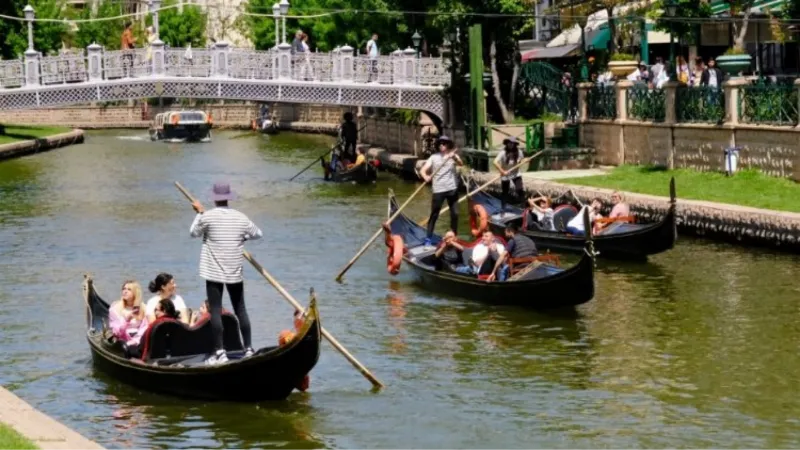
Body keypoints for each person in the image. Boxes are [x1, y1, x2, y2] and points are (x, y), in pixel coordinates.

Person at [190, 182, 263, 365]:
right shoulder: (241, 217)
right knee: (241, 309)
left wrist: (199, 213)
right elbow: (258, 234)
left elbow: (193, 233)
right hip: (234, 272)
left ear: (214, 199)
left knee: (215, 311)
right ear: (228, 198)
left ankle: (220, 352)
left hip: (213, 272)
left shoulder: (207, 216)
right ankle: (248, 348)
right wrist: (243, 237)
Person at [419, 136, 463, 246]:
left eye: (444, 143)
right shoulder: (434, 157)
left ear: (448, 144)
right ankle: (428, 238)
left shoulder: (453, 155)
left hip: (452, 188)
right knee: (434, 214)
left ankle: (453, 235)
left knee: (455, 213)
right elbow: (422, 170)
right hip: (439, 189)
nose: (441, 145)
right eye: (440, 143)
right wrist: (425, 177)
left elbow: (461, 164)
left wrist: (454, 158)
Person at [109, 280, 149, 347]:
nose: (125, 291)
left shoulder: (144, 308)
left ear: (135, 293)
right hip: (122, 342)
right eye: (124, 289)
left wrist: (136, 340)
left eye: (129, 289)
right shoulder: (115, 309)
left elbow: (145, 327)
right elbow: (117, 333)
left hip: (139, 341)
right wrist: (127, 320)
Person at [278, 310, 310, 392]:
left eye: (302, 318)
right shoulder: (286, 334)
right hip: (288, 365)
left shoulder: (309, 335)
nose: (299, 320)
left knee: (303, 388)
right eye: (297, 319)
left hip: (301, 370)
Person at [493, 136, 524, 213]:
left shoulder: (519, 152)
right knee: (505, 192)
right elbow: (495, 162)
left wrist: (521, 161)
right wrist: (502, 171)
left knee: (520, 189)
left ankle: (523, 206)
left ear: (514, 144)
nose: (511, 145)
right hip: (505, 174)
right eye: (509, 143)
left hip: (515, 173)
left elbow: (521, 160)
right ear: (506, 144)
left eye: (512, 143)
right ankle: (503, 208)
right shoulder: (503, 152)